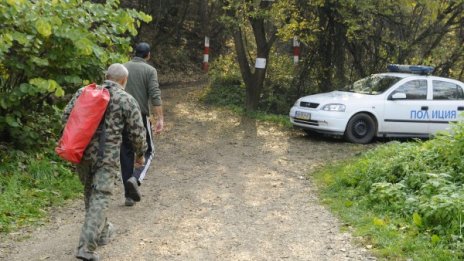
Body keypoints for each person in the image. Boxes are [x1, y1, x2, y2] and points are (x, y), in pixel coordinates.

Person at [62, 63, 147, 261]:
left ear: (106, 76)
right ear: (124, 81)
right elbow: (137, 132)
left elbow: (65, 117)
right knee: (100, 196)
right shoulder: (125, 99)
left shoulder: (84, 92)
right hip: (106, 157)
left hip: (81, 153)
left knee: (91, 193)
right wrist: (140, 155)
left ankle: (102, 232)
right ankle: (86, 248)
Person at [120, 42, 164, 206]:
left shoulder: (122, 68)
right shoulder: (150, 70)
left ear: (134, 53)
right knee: (149, 150)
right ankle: (136, 178)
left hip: (122, 117)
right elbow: (155, 94)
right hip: (140, 116)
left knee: (126, 153)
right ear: (148, 55)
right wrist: (159, 118)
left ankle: (128, 195)